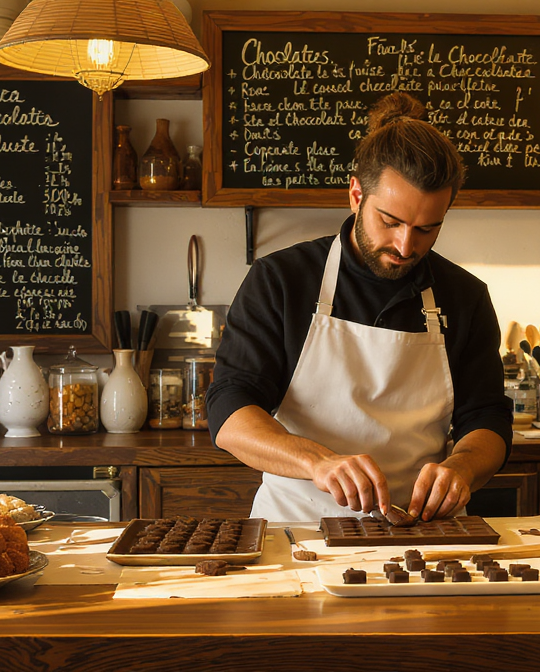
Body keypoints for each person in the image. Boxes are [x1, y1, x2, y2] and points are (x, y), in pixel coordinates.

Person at [206, 91, 511, 523]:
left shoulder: (465, 296)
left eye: (427, 229)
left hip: (424, 530)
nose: (405, 246)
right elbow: (230, 410)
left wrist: (462, 467)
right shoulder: (281, 280)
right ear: (356, 195)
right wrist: (317, 461)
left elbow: (487, 417)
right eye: (390, 222)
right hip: (299, 525)